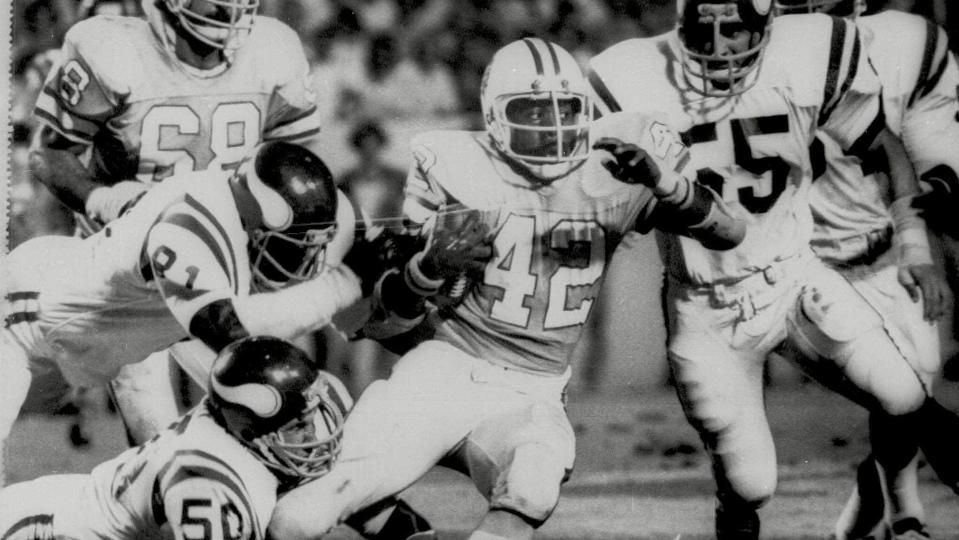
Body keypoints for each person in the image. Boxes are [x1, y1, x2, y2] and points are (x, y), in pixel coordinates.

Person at [268, 37, 746, 540]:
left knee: (533, 479)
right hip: (441, 371)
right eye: (534, 113)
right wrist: (428, 268)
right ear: (495, 117)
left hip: (531, 390)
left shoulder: (614, 168)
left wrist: (666, 183)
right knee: (299, 515)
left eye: (565, 111)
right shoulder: (455, 165)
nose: (554, 129)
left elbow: (729, 231)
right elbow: (385, 323)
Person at [587, 1, 959, 538]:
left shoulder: (804, 56)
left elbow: (885, 147)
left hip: (793, 276)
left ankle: (900, 515)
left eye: (734, 29)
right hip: (707, 306)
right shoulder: (634, 77)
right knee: (750, 484)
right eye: (702, 29)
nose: (718, 48)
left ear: (765, 25)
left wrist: (914, 247)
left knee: (904, 395)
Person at [0, 142, 435, 539]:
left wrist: (414, 278)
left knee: (281, 414)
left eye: (313, 249)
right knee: (254, 421)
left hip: (135, 340)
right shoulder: (191, 224)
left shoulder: (287, 213)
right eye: (292, 250)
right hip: (23, 320)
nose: (307, 264)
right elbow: (231, 332)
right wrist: (345, 283)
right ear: (253, 224)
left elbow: (364, 312)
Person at [29, 0, 324, 445]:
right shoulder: (112, 49)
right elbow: (49, 152)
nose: (231, 12)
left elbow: (291, 160)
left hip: (223, 260)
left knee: (276, 407)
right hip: (128, 271)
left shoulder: (273, 48)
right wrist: (101, 197)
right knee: (157, 439)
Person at [774, 1, 959, 538]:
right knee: (902, 396)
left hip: (882, 251)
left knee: (907, 391)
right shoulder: (751, 69)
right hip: (806, 265)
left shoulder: (902, 46)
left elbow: (926, 144)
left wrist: (918, 244)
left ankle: (861, 524)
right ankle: (906, 515)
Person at [0, 335, 352, 540]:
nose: (309, 435)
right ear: (249, 430)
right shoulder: (207, 477)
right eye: (296, 425)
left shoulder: (226, 426)